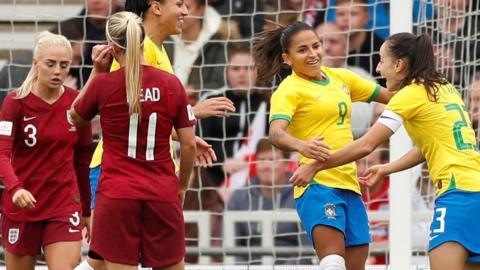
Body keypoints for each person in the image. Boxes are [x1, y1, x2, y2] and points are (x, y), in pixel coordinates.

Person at [290, 32, 480, 270]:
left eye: (381, 60)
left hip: (457, 194)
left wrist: (316, 165)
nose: (378, 69)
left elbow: (367, 145)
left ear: (399, 65)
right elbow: (428, 148)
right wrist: (388, 168)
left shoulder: (409, 95)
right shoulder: (443, 87)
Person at [252, 21, 393, 270]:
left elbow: (391, 98)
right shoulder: (288, 90)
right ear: (287, 58)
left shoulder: (343, 78)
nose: (313, 54)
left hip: (350, 184)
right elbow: (275, 133)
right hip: (317, 184)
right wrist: (301, 145)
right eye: (303, 50)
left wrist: (420, 84)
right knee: (333, 263)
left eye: (316, 46)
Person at [70, 11, 197, 270]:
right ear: (142, 41)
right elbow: (189, 144)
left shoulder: (103, 84)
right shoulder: (171, 84)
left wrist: (97, 72)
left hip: (117, 193)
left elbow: (74, 117)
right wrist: (182, 187)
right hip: (162, 191)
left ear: (112, 46)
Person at [0, 31, 92, 270]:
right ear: (36, 64)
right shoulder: (15, 102)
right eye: (50, 64)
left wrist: (86, 209)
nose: (57, 71)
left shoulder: (77, 103)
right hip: (22, 205)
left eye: (64, 65)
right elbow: (1, 153)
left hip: (63, 204)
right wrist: (15, 188)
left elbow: (83, 162)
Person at [227, 138, 311, 265]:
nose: (266, 166)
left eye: (272, 160)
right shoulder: (239, 196)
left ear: (287, 165)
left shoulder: (302, 194)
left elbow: (307, 248)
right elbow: (230, 245)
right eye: (262, 160)